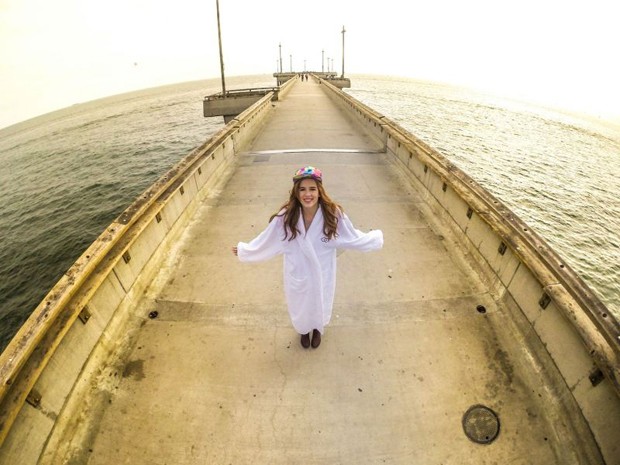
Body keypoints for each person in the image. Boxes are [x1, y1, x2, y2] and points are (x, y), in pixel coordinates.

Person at [232, 166, 383, 349]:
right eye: (302, 189)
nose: (307, 194)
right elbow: (267, 240)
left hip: (322, 272)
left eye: (312, 189)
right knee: (300, 304)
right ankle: (303, 330)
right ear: (296, 192)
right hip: (298, 272)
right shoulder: (286, 217)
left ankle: (318, 329)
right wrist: (246, 250)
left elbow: (351, 236)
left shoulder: (333, 214)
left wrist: (373, 239)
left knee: (321, 300)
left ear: (320, 190)